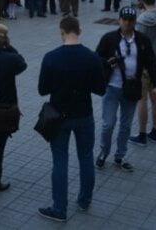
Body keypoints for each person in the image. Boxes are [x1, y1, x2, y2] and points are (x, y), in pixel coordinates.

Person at [37, 17, 105, 222]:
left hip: (59, 117)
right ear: (80, 31)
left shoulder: (51, 57)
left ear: (62, 31)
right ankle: (84, 200)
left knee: (60, 160)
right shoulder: (91, 57)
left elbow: (42, 90)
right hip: (84, 115)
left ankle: (59, 208)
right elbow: (100, 89)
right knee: (85, 157)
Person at [95, 7, 156, 171]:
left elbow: (151, 63)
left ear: (135, 21)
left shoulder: (142, 40)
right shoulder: (109, 38)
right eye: (124, 19)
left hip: (132, 88)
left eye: (131, 20)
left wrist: (155, 85)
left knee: (125, 125)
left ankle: (120, 156)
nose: (127, 23)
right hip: (112, 88)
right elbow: (96, 57)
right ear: (119, 20)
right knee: (108, 124)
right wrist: (107, 62)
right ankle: (103, 152)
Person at [0, 24, 27, 193]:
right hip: (4, 111)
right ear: (5, 40)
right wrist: (8, 46)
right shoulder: (10, 59)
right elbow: (22, 63)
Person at [130, 0, 156, 146]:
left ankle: (141, 134)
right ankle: (155, 131)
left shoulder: (142, 20)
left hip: (145, 64)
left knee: (142, 99)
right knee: (155, 97)